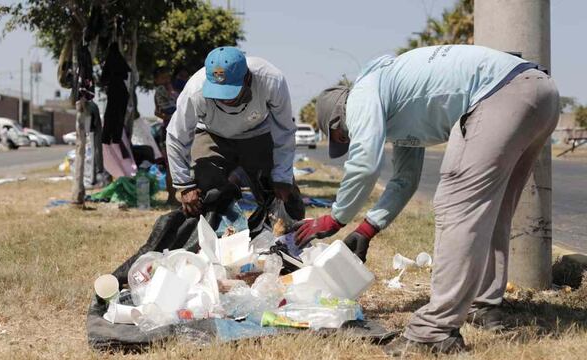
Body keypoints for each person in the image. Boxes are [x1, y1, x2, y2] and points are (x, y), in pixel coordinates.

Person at [292, 45, 559, 355]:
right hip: (539, 93)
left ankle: (434, 332)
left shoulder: (363, 92)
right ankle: (484, 305)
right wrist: (367, 229)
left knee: (456, 203)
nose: (349, 141)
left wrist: (334, 218)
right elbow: (405, 181)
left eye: (342, 136)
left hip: (502, 93)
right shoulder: (400, 110)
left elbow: (364, 163)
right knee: (492, 209)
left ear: (340, 114)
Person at [166, 46, 304, 230]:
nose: (225, 100)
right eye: (218, 93)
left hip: (259, 133)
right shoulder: (195, 91)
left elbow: (284, 130)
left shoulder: (271, 80)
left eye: (230, 92)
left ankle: (289, 239)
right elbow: (176, 136)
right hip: (212, 134)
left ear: (247, 78)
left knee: (283, 191)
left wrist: (282, 176)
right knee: (202, 187)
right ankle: (218, 238)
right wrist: (185, 185)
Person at [154, 66, 179, 205]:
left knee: (171, 163)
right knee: (171, 163)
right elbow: (159, 111)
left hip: (169, 125)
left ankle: (172, 196)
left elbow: (156, 112)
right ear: (157, 80)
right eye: (163, 77)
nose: (166, 79)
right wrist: (170, 116)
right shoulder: (162, 90)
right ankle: (171, 197)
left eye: (167, 76)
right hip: (170, 127)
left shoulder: (164, 90)